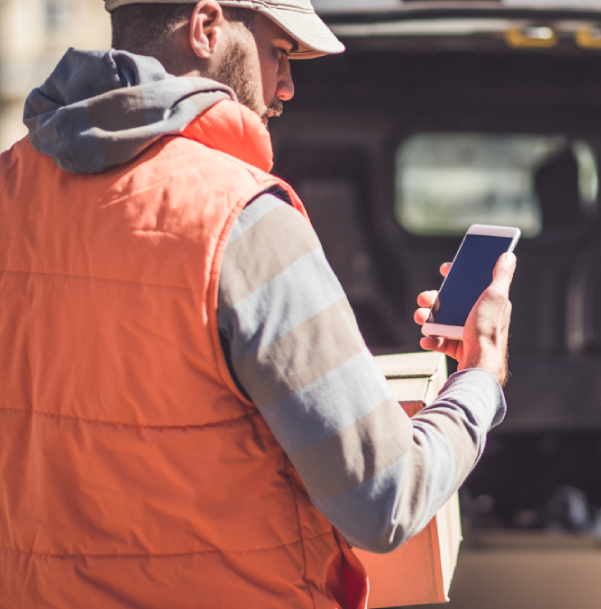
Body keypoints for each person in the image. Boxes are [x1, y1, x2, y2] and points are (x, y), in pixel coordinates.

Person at [0, 1, 515, 607]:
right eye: (280, 52)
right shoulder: (244, 220)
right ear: (206, 28)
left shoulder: (12, 187)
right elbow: (385, 501)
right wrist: (481, 377)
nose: (288, 85)